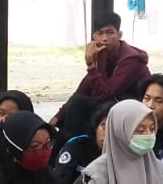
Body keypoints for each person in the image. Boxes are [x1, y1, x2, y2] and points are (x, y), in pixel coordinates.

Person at [49, 12, 151, 141]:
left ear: (119, 35)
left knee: (81, 105)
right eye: (100, 33)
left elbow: (105, 94)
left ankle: (76, 148)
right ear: (94, 36)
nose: (104, 38)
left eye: (110, 32)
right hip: (110, 103)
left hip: (130, 108)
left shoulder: (131, 60)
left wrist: (91, 64)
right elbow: (83, 89)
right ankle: (66, 149)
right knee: (75, 106)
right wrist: (57, 117)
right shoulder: (101, 54)